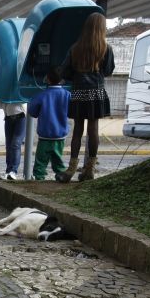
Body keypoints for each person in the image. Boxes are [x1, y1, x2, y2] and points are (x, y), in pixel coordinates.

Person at [58, 12, 115, 182]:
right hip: (96, 92)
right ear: (101, 28)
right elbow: (108, 70)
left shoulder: (75, 48)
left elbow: (65, 71)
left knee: (77, 130)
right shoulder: (106, 48)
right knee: (93, 130)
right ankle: (89, 170)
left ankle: (70, 170)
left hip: (79, 92)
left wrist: (76, 76)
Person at [27, 66, 70, 181]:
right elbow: (72, 113)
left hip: (45, 135)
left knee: (40, 162)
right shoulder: (67, 95)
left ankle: (39, 179)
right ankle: (61, 176)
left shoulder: (40, 96)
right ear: (62, 80)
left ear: (48, 79)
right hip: (60, 135)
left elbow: (32, 112)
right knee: (58, 159)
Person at [0, 99, 27, 180]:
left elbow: (25, 100)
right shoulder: (4, 89)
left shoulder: (18, 87)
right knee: (8, 146)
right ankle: (8, 172)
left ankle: (13, 171)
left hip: (21, 116)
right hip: (8, 118)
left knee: (16, 143)